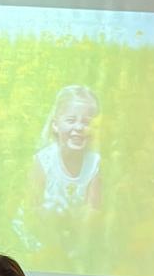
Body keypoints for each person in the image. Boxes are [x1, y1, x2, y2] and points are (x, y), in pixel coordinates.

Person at [30, 84, 102, 216]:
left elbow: (94, 210)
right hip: (42, 225)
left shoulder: (93, 163)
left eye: (86, 122)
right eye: (71, 121)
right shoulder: (44, 160)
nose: (79, 127)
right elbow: (32, 207)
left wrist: (76, 219)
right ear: (55, 125)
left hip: (75, 226)